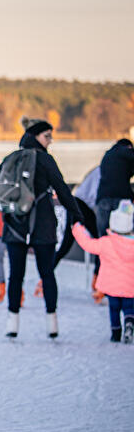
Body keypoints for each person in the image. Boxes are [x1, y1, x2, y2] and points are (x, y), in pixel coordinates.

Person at [0, 116, 83, 339]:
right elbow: (63, 191)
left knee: (15, 276)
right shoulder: (46, 160)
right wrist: (78, 216)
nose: (50, 141)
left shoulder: (12, 157)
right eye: (47, 136)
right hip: (43, 225)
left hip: (15, 225)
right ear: (35, 136)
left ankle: (12, 323)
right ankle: (52, 323)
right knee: (47, 273)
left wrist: (10, 208)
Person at [72, 200, 134, 342]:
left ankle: (116, 333)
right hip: (130, 287)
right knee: (129, 307)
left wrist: (77, 228)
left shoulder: (106, 242)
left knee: (114, 309)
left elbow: (87, 244)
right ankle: (129, 323)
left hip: (111, 286)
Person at [94, 139, 134, 292]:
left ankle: (99, 282)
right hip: (123, 202)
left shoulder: (108, 155)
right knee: (125, 238)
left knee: (103, 241)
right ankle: (124, 280)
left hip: (102, 200)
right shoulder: (127, 153)